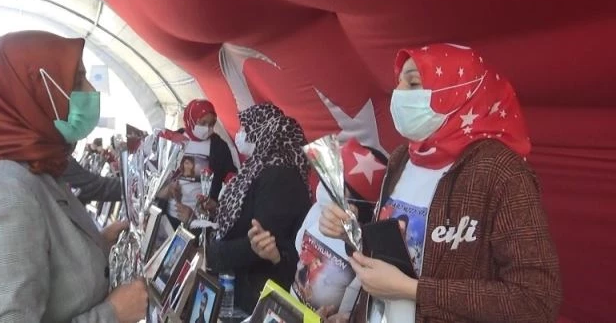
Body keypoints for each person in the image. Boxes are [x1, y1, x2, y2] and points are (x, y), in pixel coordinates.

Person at [319, 43, 562, 323]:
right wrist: (352, 233)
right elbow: (398, 255)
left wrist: (413, 290)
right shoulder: (403, 158)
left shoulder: (500, 173)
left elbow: (536, 300)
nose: (399, 93)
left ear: (457, 91)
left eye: (413, 83)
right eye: (398, 83)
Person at [0, 31, 147, 323]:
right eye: (77, 80)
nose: (91, 90)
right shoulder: (0, 192)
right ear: (30, 93)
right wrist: (113, 314)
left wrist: (97, 245)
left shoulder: (35, 167)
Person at [253, 140, 387, 318]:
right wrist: (276, 257)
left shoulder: (367, 249)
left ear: (356, 203)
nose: (323, 187)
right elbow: (296, 269)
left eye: (334, 184)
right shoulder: (316, 213)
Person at [207, 103, 311, 313]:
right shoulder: (261, 168)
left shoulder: (280, 176)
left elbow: (262, 241)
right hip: (247, 286)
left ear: (262, 131)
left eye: (245, 128)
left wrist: (214, 255)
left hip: (258, 294)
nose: (240, 134)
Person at [163, 100, 237, 226]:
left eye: (211, 124)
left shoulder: (219, 146)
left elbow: (231, 177)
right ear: (190, 120)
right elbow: (160, 174)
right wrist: (167, 188)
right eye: (202, 123)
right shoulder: (174, 139)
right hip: (171, 213)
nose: (207, 128)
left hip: (200, 219)